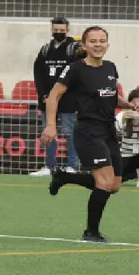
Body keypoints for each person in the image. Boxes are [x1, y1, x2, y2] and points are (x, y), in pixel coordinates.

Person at [42, 26, 139, 243]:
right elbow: (53, 97)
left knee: (114, 185)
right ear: (84, 45)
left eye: (102, 41)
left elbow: (112, 96)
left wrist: (130, 104)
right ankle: (91, 232)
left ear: (108, 44)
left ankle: (64, 176)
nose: (98, 45)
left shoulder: (111, 67)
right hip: (88, 130)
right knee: (104, 183)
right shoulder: (76, 69)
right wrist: (51, 125)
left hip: (108, 130)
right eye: (93, 41)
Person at [31, 17, 81, 177]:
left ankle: (72, 166)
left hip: (68, 101)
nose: (59, 32)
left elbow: (77, 73)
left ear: (67, 29)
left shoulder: (74, 48)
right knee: (48, 132)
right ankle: (49, 166)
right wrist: (44, 95)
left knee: (70, 133)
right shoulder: (46, 49)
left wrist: (65, 94)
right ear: (51, 29)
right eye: (56, 30)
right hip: (47, 101)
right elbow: (38, 74)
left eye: (62, 30)